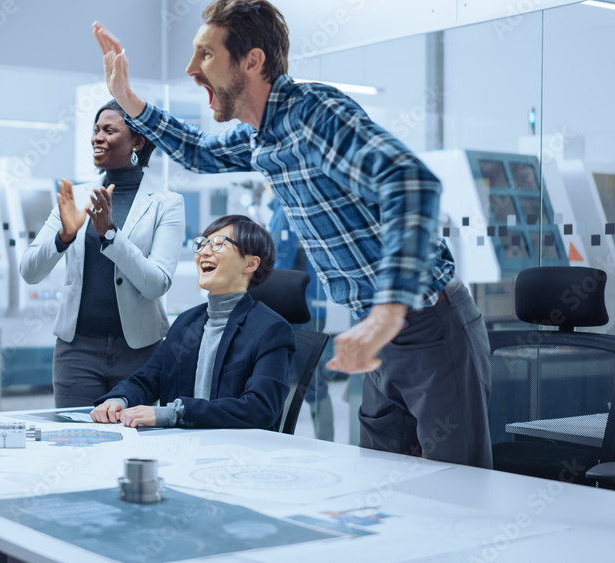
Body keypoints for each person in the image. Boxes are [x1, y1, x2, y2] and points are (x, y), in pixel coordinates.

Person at [93, 0, 492, 468]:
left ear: (252, 60)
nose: (190, 69)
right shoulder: (265, 136)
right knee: (388, 485)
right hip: (379, 333)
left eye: (205, 55)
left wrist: (386, 313)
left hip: (425, 322)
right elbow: (200, 152)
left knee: (459, 489)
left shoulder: (312, 113)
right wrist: (128, 99)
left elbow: (411, 183)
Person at [20, 99, 186, 408]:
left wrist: (110, 234)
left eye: (109, 130)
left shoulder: (166, 203)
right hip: (76, 352)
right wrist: (64, 235)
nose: (97, 137)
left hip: (139, 352)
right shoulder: (76, 197)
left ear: (137, 141)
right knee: (75, 442)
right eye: (96, 129)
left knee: (133, 445)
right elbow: (30, 271)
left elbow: (157, 284)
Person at [91, 215, 293, 429]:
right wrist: (118, 400)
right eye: (202, 244)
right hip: (181, 447)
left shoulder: (270, 330)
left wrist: (174, 414)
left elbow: (260, 409)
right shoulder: (187, 322)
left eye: (218, 244)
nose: (204, 252)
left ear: (251, 263)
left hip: (236, 453)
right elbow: (148, 378)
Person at [268, 197, 335, 441]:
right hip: (309, 307)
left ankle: (318, 442)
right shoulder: (291, 207)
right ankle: (323, 442)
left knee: (298, 382)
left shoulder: (287, 208)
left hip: (295, 307)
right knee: (308, 382)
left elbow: (279, 263)